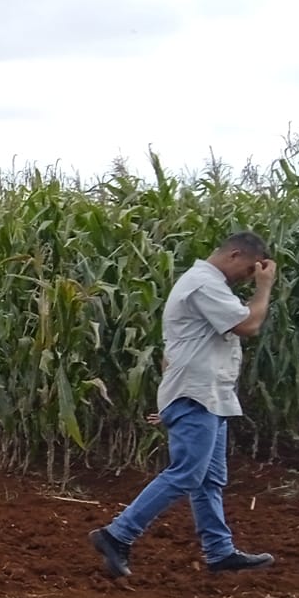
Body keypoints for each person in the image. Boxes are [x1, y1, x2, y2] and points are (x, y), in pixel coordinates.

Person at [89, 233, 278, 579]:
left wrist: (171, 400)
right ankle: (117, 535)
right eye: (249, 270)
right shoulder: (203, 284)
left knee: (209, 481)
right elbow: (249, 324)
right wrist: (264, 288)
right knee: (187, 473)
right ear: (234, 255)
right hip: (198, 396)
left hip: (208, 397)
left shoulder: (208, 286)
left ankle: (219, 552)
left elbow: (173, 352)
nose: (248, 277)